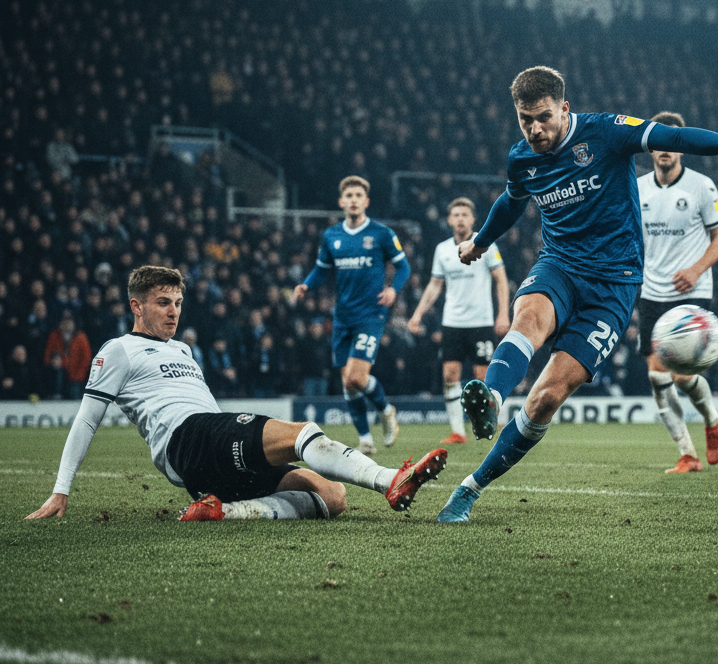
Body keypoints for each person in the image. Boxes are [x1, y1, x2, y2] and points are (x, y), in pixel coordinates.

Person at [436, 66, 718, 522]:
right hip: (559, 264)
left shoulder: (605, 132)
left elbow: (674, 137)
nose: (534, 129)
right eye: (525, 120)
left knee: (546, 398)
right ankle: (493, 398)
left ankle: (470, 487)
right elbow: (511, 201)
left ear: (564, 108)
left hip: (615, 284)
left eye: (542, 117)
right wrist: (479, 242)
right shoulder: (521, 158)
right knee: (529, 320)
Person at [26, 266, 446, 523]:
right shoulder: (119, 349)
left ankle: (224, 510)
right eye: (162, 303)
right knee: (302, 434)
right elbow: (86, 418)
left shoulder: (184, 349)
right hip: (187, 440)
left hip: (209, 456)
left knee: (333, 498)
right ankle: (392, 480)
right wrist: (62, 487)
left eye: (177, 302)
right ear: (137, 306)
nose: (173, 311)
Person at [636, 112, 718, 473]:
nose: (664, 149)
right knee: (657, 377)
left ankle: (711, 418)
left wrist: (695, 270)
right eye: (658, 142)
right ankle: (687, 454)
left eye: (671, 142)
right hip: (651, 292)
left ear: (682, 148)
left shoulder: (701, 186)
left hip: (691, 290)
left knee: (682, 376)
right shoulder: (638, 187)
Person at [294, 176, 409, 455]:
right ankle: (366, 439)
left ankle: (385, 409)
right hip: (342, 317)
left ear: (366, 201)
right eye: (349, 195)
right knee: (348, 382)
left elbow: (403, 267)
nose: (354, 200)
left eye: (359, 195)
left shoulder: (381, 233)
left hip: (370, 315)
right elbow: (322, 269)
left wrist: (393, 290)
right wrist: (307, 284)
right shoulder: (332, 236)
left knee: (357, 378)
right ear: (341, 202)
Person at [408, 197, 511, 444]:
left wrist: (503, 314)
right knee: (450, 376)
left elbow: (501, 280)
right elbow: (435, 285)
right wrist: (417, 314)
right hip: (452, 322)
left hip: (481, 321)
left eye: (465, 214)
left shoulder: (485, 243)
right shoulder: (442, 250)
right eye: (456, 214)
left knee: (483, 377)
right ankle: (458, 431)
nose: (461, 219)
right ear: (449, 220)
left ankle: (490, 422)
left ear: (473, 219)